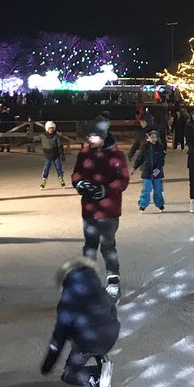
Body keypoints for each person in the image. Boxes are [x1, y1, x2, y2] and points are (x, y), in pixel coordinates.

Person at [39, 257, 119, 387]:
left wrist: (47, 366)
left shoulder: (67, 304)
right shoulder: (101, 291)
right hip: (111, 335)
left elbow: (58, 339)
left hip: (88, 343)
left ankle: (95, 378)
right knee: (89, 327)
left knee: (68, 374)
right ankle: (101, 357)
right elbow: (112, 312)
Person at [71, 119, 130, 299]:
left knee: (107, 246)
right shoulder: (85, 153)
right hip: (89, 208)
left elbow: (123, 180)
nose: (90, 139)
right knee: (89, 246)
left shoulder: (116, 156)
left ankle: (113, 281)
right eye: (89, 135)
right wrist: (79, 183)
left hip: (108, 210)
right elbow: (76, 173)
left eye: (94, 135)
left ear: (103, 137)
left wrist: (106, 189)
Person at [130, 129, 166, 212]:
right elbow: (140, 159)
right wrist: (134, 168)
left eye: (155, 137)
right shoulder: (145, 147)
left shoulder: (160, 147)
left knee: (158, 189)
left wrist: (158, 169)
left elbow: (161, 160)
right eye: (152, 137)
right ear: (148, 137)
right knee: (146, 189)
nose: (153, 139)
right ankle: (143, 204)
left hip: (157, 173)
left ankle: (160, 204)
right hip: (147, 171)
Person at [41, 120, 67, 189]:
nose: (51, 130)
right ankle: (44, 179)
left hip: (56, 155)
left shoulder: (56, 136)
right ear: (47, 128)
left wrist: (62, 154)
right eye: (49, 128)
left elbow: (60, 146)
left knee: (59, 167)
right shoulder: (43, 136)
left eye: (52, 128)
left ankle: (61, 178)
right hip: (48, 156)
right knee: (46, 168)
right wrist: (25, 140)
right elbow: (34, 139)